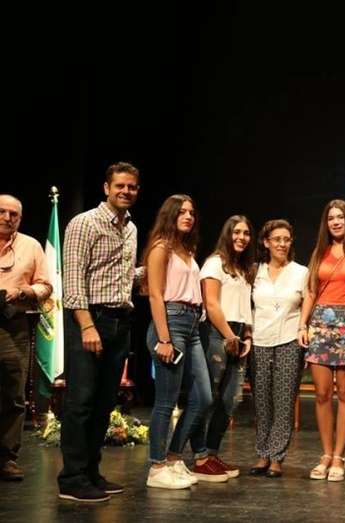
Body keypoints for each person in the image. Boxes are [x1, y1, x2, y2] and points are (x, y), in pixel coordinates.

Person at [58, 163, 139, 502]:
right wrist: (87, 325)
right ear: (106, 188)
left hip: (120, 321)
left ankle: (91, 471)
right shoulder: (84, 223)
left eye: (131, 187)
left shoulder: (131, 228)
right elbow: (74, 279)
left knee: (105, 402)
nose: (126, 191)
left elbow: (118, 274)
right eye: (120, 185)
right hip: (91, 319)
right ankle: (72, 478)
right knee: (81, 401)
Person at [143, 194, 222, 489]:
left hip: (191, 325)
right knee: (166, 401)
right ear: (170, 215)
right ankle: (156, 467)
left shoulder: (187, 249)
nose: (188, 216)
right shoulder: (160, 248)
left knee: (203, 397)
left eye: (191, 212)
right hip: (171, 322)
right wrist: (164, 338)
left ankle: (174, 457)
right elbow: (155, 295)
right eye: (182, 212)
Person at [299, 200, 345, 482]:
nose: (336, 222)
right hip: (319, 326)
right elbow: (310, 292)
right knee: (321, 393)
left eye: (340, 217)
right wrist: (302, 325)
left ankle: (339, 457)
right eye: (331, 217)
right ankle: (326, 454)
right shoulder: (319, 252)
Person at [198, 215, 256, 479]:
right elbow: (211, 304)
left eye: (246, 233)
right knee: (208, 396)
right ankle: (199, 456)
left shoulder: (244, 269)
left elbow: (246, 306)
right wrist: (230, 336)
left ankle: (212, 453)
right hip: (218, 332)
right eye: (237, 232)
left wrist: (247, 336)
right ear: (227, 234)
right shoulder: (215, 263)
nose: (241, 237)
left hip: (239, 334)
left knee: (230, 399)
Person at [250, 219, 308, 478]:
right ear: (266, 242)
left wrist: (303, 327)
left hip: (288, 340)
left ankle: (277, 457)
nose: (282, 244)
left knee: (284, 401)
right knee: (262, 401)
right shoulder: (255, 271)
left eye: (286, 239)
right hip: (259, 341)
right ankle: (263, 453)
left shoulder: (300, 272)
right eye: (277, 239)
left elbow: (308, 300)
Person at [0, 194, 51, 481]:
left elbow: (46, 286)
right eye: (2, 212)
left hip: (13, 324)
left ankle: (6, 458)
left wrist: (23, 292)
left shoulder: (31, 246)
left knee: (13, 393)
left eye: (13, 214)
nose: (7, 218)